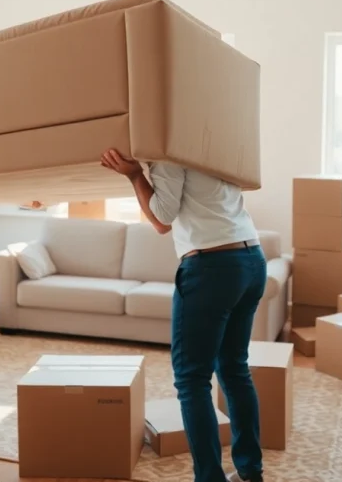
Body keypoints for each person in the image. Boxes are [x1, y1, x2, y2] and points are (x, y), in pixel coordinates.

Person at [100, 149, 265, 482]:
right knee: (234, 370)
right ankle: (250, 471)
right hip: (251, 259)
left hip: (211, 267)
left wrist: (135, 175)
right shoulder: (219, 143)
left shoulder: (170, 152)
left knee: (192, 380)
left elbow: (162, 219)